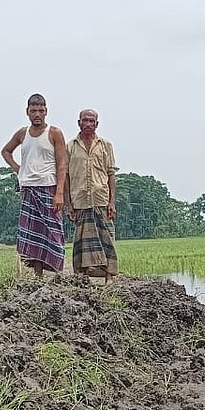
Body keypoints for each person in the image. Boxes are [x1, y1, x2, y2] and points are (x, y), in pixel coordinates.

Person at [0, 93, 66, 277]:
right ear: (27, 112)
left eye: (41, 110)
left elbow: (62, 164)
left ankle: (57, 274)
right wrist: (17, 168)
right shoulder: (22, 134)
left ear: (46, 112)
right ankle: (38, 276)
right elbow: (6, 151)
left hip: (49, 187)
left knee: (53, 232)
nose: (37, 114)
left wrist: (60, 192)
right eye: (33, 110)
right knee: (33, 233)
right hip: (28, 188)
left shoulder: (54, 133)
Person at [64, 108, 118, 282]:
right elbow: (65, 176)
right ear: (79, 122)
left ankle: (109, 277)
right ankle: (81, 277)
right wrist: (68, 204)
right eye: (85, 120)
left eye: (91, 121)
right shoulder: (70, 147)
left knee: (106, 238)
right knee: (82, 240)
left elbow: (111, 174)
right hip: (79, 200)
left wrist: (112, 202)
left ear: (97, 124)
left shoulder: (105, 145)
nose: (88, 124)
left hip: (101, 199)